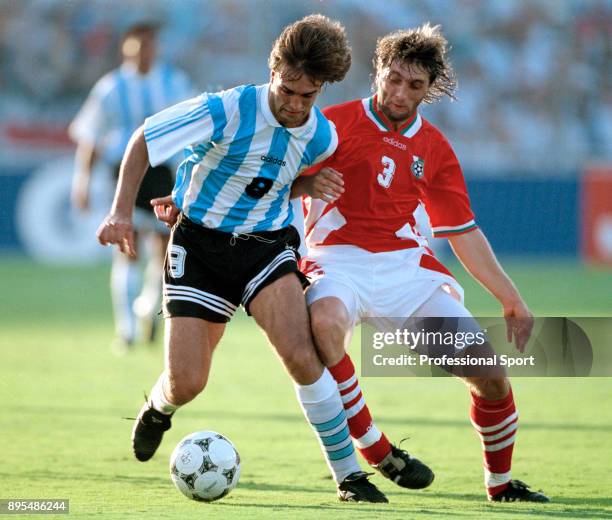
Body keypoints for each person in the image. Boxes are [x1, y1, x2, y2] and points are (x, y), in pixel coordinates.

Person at [96, 15, 390, 503]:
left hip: (265, 246)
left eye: (307, 96)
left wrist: (306, 184)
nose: (294, 105)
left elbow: (272, 183)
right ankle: (157, 407)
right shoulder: (226, 109)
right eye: (287, 91)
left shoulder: (320, 137)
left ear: (322, 89)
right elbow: (144, 140)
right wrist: (120, 213)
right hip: (199, 247)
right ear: (272, 70)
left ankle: (348, 475)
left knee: (301, 354)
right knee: (188, 381)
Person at [290, 23, 550, 503]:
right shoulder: (330, 125)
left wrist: (509, 297)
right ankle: (375, 448)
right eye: (393, 78)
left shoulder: (434, 148)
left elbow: (464, 232)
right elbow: (277, 180)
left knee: (490, 375)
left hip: (406, 273)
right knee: (325, 326)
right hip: (336, 261)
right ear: (377, 73)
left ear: (430, 91)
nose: (399, 92)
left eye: (414, 85)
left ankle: (500, 485)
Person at [69, 22, 196, 351]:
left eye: (149, 45)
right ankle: (126, 329)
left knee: (165, 246)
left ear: (157, 48)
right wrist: (82, 180)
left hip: (163, 173)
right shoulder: (111, 87)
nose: (143, 52)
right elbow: (91, 136)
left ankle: (147, 307)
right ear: (126, 47)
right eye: (137, 45)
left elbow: (196, 128)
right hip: (124, 173)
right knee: (127, 247)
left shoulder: (174, 83)